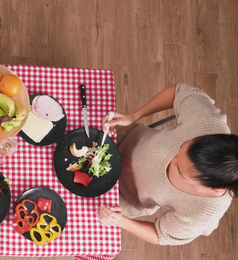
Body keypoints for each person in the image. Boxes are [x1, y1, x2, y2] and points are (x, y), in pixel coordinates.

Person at [96, 84, 238, 245]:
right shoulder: (207, 123)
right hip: (117, 138)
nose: (171, 160)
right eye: (181, 148)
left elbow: (160, 234)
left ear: (214, 189)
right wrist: (135, 115)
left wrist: (121, 221)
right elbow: (178, 92)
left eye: (179, 170)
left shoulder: (203, 214)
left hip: (119, 197)